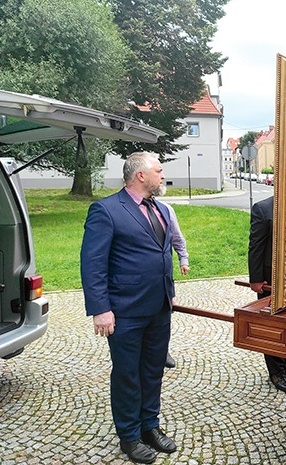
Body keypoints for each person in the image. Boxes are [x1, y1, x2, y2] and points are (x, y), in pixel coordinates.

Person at [81, 152, 177, 464]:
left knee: (152, 371)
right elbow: (93, 264)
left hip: (159, 307)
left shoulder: (161, 209)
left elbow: (163, 254)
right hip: (124, 311)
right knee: (127, 374)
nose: (162, 175)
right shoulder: (106, 210)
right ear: (140, 175)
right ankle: (130, 436)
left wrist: (168, 292)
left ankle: (150, 426)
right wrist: (100, 308)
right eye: (158, 170)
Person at [248, 195, 286, 393]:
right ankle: (276, 371)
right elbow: (256, 245)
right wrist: (255, 278)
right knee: (272, 324)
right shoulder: (263, 208)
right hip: (270, 276)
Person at [161, 201, 190, 369]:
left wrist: (183, 259)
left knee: (165, 312)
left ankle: (163, 351)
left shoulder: (165, 209)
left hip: (164, 278)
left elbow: (177, 237)